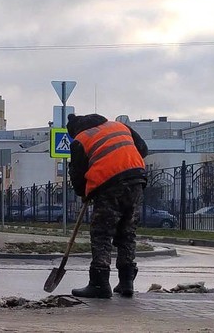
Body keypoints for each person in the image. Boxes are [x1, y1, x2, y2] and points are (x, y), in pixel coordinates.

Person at [67, 113, 149, 299]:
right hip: (136, 180)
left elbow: (77, 174)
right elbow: (142, 149)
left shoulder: (80, 140)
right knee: (127, 232)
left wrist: (83, 193)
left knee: (102, 233)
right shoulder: (119, 126)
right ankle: (126, 281)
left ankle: (99, 283)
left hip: (109, 185)